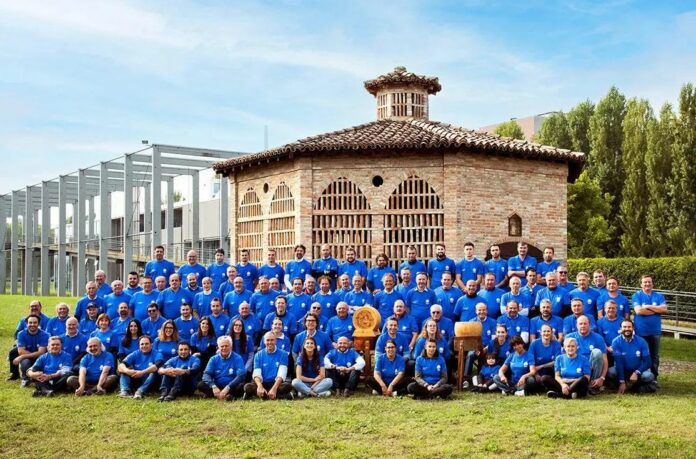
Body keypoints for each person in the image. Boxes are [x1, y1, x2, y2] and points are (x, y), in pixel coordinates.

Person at [631, 275, 667, 379]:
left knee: (654, 355)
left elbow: (664, 310)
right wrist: (656, 310)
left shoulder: (659, 296)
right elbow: (639, 311)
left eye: (649, 282)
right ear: (641, 284)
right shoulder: (636, 295)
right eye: (645, 282)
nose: (647, 284)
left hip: (655, 331)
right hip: (641, 331)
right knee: (641, 354)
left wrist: (648, 306)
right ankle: (641, 376)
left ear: (652, 283)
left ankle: (654, 378)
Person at [610, 320, 656, 394]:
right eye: (624, 327)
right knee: (611, 372)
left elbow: (648, 362)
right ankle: (625, 384)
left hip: (637, 370)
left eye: (629, 327)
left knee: (648, 376)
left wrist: (636, 372)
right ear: (621, 328)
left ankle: (634, 386)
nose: (627, 329)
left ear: (633, 328)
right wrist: (622, 381)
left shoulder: (642, 341)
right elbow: (619, 362)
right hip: (623, 371)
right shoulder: (616, 342)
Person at [243, 332, 293, 400]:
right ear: (264, 341)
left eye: (272, 340)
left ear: (276, 341)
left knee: (287, 386)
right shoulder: (258, 355)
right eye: (268, 340)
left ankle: (263, 395)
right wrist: (260, 386)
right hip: (263, 382)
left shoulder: (283, 354)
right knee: (247, 387)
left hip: (276, 383)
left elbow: (281, 374)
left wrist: (274, 388)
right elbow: (256, 373)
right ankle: (281, 396)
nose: (270, 342)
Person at [565, 315, 608, 394]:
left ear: (589, 324)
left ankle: (593, 385)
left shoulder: (598, 338)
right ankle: (576, 386)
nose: (583, 326)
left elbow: (605, 360)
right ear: (576, 325)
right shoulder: (569, 338)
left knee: (597, 352)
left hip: (591, 368)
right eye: (580, 324)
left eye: (585, 323)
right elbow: (564, 359)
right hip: (576, 368)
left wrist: (602, 378)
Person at [199, 336, 246, 400]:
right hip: (217, 386)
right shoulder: (213, 359)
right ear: (218, 347)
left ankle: (216, 395)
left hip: (232, 386)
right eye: (222, 346)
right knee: (201, 385)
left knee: (241, 386)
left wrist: (228, 387)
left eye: (226, 346)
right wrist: (213, 386)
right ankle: (226, 396)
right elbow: (206, 374)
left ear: (231, 347)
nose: (224, 348)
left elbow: (241, 375)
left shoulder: (238, 358)